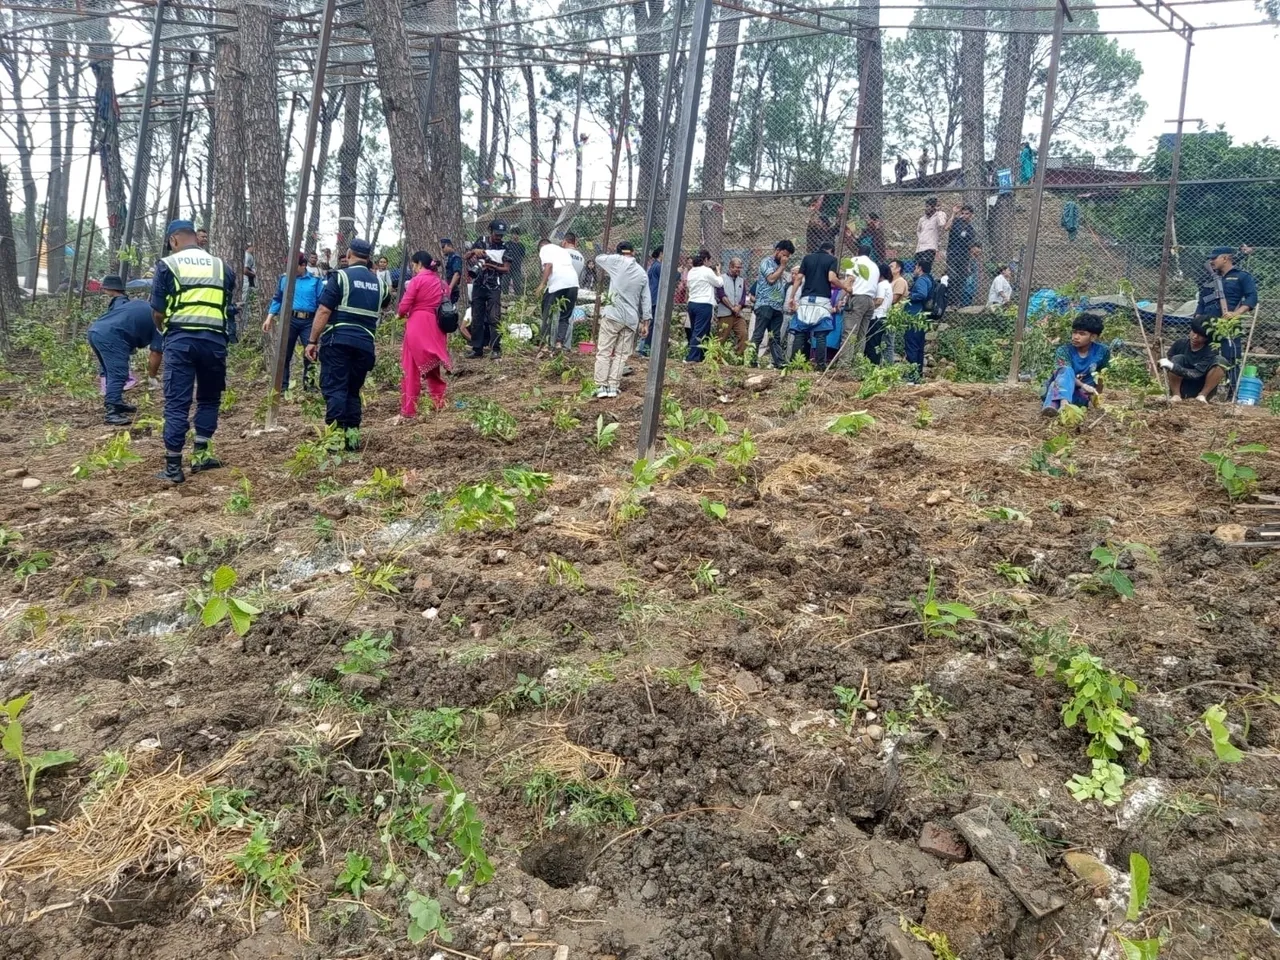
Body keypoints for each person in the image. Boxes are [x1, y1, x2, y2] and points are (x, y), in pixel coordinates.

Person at [149, 219, 236, 483]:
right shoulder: (224, 268)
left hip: (181, 341)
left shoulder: (167, 265)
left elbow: (158, 311)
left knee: (177, 402)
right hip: (215, 343)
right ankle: (201, 456)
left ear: (173, 240)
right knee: (209, 398)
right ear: (195, 238)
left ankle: (174, 467)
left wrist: (164, 328)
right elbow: (226, 305)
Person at [305, 237, 392, 445]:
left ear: (349, 255)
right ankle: (352, 439)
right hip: (365, 345)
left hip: (338, 341)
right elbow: (386, 304)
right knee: (353, 390)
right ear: (369, 258)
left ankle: (334, 440)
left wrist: (312, 341)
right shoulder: (380, 284)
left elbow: (324, 309)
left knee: (336, 388)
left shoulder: (340, 277)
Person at [87, 275, 163, 426]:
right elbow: (156, 352)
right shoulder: (161, 323)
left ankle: (117, 401)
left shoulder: (144, 305)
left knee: (111, 371)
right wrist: (152, 376)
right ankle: (112, 411)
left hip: (96, 331)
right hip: (112, 336)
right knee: (119, 373)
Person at [591, 241, 652, 398]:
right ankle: (613, 386)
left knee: (604, 350)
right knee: (621, 354)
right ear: (633, 252)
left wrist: (615, 255)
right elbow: (646, 299)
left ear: (619, 253)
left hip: (613, 315)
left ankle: (600, 386)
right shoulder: (641, 273)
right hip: (630, 320)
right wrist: (646, 322)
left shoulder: (616, 262)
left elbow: (598, 258)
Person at [395, 251, 451, 420]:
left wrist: (399, 314)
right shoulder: (441, 283)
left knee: (410, 368)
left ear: (419, 264)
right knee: (433, 366)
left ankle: (409, 409)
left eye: (413, 265)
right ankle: (439, 403)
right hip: (436, 326)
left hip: (418, 326)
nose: (413, 268)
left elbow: (405, 305)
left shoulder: (417, 281)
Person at [1194, 246, 1259, 392]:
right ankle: (1202, 392)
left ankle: (1232, 394)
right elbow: (1202, 302)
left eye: (1214, 258)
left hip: (1228, 324)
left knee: (1231, 358)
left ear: (1225, 258)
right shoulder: (1209, 277)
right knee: (1203, 357)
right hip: (1207, 324)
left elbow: (1252, 297)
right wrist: (1195, 325)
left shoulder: (1242, 276)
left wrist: (1237, 313)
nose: (1211, 261)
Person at [263, 252, 325, 392]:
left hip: (309, 321)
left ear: (303, 265)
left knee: (311, 351)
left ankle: (309, 385)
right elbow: (277, 299)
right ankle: (282, 386)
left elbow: (322, 302)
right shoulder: (284, 279)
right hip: (289, 320)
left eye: (294, 265)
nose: (290, 268)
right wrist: (269, 317)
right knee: (285, 352)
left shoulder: (315, 280)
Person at [788, 240, 848, 370]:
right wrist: (845, 287)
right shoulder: (832, 260)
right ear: (831, 251)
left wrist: (792, 297)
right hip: (822, 301)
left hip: (805, 300)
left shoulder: (807, 258)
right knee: (820, 335)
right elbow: (832, 278)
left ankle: (794, 364)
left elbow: (798, 278)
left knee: (800, 332)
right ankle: (820, 365)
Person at [1042, 315, 1109, 415]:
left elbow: (1101, 375)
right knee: (1066, 371)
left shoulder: (1102, 351)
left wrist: (1097, 397)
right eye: (1074, 332)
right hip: (1060, 386)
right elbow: (1062, 373)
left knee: (1068, 394)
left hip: (1080, 392)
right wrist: (1083, 385)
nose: (1075, 337)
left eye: (1082, 334)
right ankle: (1064, 404)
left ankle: (1055, 406)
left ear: (1093, 337)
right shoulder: (1064, 350)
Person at [464, 220, 511, 359]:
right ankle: (477, 348)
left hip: (494, 286)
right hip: (478, 284)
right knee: (477, 316)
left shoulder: (504, 246)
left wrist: (492, 266)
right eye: (497, 234)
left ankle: (496, 348)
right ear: (490, 231)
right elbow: (465, 257)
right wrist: (474, 251)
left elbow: (507, 269)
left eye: (501, 235)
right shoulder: (481, 241)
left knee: (494, 317)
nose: (499, 237)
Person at [1158, 319, 1228, 403]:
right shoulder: (1180, 344)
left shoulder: (1211, 350)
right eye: (1194, 332)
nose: (1195, 337)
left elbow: (1196, 374)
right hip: (1181, 386)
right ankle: (1176, 395)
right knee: (1177, 358)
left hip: (1200, 386)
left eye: (1200, 335)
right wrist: (1159, 358)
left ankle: (1202, 396)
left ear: (1206, 338)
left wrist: (1172, 366)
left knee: (1221, 361)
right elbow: (1165, 368)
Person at [750, 240, 794, 369]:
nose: (785, 258)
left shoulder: (781, 265)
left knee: (775, 336)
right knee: (758, 334)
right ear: (777, 250)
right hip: (765, 304)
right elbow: (771, 279)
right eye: (784, 254)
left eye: (788, 256)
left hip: (777, 307)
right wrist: (782, 266)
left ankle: (779, 362)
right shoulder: (766, 262)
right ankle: (752, 361)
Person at [536, 233, 580, 353]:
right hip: (573, 284)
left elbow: (549, 266)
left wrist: (542, 284)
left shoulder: (544, 248)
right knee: (565, 316)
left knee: (547, 313)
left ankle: (544, 345)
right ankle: (559, 343)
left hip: (558, 284)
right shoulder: (562, 251)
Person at [838, 254, 879, 367]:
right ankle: (857, 364)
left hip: (857, 298)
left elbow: (850, 280)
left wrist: (840, 298)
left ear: (857, 252)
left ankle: (844, 364)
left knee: (850, 332)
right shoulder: (874, 265)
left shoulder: (854, 260)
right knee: (862, 334)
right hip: (870, 301)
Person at [684, 250, 723, 363]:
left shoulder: (692, 271)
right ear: (705, 260)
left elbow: (688, 285)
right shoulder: (707, 271)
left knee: (701, 330)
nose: (710, 262)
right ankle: (692, 358)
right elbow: (719, 283)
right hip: (704, 304)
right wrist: (719, 272)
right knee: (699, 331)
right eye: (709, 260)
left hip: (692, 303)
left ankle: (702, 357)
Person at [903, 260, 935, 379]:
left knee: (912, 345)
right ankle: (917, 375)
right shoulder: (929, 279)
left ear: (920, 268)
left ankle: (912, 375)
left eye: (915, 267)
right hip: (921, 317)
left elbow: (922, 294)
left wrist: (909, 295)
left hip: (915, 316)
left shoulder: (922, 280)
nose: (914, 269)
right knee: (919, 346)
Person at [715, 257, 748, 356]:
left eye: (740, 268)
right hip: (725, 313)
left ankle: (738, 358)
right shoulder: (721, 278)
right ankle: (715, 359)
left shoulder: (741, 280)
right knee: (721, 337)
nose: (738, 270)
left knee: (744, 335)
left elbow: (743, 296)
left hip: (738, 315)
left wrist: (739, 306)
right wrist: (732, 308)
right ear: (730, 267)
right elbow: (721, 295)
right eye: (736, 267)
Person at [946, 204, 978, 297]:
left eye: (967, 214)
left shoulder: (971, 230)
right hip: (952, 254)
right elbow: (946, 228)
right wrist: (953, 213)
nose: (964, 215)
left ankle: (956, 303)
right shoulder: (956, 221)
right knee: (952, 278)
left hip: (964, 257)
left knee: (961, 280)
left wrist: (969, 262)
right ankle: (949, 301)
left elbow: (970, 247)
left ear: (971, 215)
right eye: (963, 213)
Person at [866, 263, 893, 365]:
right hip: (884, 316)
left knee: (872, 344)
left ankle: (872, 365)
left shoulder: (881, 285)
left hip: (877, 317)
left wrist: (868, 308)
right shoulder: (888, 285)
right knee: (877, 343)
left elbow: (879, 300)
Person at [638, 245, 662, 357]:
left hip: (652, 297)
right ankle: (645, 350)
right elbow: (670, 277)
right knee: (651, 327)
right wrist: (678, 272)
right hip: (656, 298)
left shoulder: (653, 265)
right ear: (661, 253)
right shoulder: (659, 266)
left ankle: (643, 348)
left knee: (649, 324)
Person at [915, 197, 948, 271]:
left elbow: (942, 224)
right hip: (919, 248)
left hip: (930, 248)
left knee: (925, 270)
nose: (925, 209)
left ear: (934, 207)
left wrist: (939, 211)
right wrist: (921, 238)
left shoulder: (939, 215)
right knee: (917, 269)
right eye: (925, 206)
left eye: (928, 206)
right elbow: (918, 230)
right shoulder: (922, 219)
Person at [441, 238, 464, 306]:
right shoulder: (446, 257)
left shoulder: (455, 257)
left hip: (452, 289)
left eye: (443, 247)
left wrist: (450, 287)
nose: (442, 249)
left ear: (449, 246)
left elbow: (457, 274)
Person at [506, 226, 527, 297]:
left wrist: (523, 269)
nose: (515, 236)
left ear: (519, 235)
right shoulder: (507, 244)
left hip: (517, 267)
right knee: (505, 284)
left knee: (517, 284)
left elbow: (522, 257)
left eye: (517, 234)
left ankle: (518, 298)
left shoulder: (521, 246)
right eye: (514, 234)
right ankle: (504, 297)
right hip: (507, 267)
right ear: (511, 235)